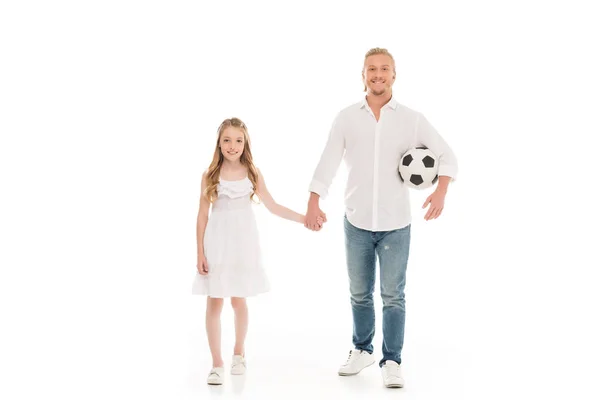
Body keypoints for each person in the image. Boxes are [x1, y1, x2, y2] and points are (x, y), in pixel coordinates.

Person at [304, 47, 458, 388]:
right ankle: (362, 350)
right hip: (356, 222)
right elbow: (328, 160)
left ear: (394, 75)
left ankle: (392, 360)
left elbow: (447, 156)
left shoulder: (411, 118)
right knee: (359, 293)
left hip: (395, 226)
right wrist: (314, 200)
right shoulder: (346, 117)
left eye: (384, 69)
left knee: (393, 295)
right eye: (371, 69)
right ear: (362, 75)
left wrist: (441, 191)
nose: (378, 74)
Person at [193, 117, 318, 385]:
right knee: (214, 301)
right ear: (219, 143)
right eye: (227, 139)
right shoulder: (209, 175)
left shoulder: (252, 172)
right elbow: (202, 215)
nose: (232, 145)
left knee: (239, 300)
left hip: (243, 244)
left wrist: (303, 218)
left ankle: (239, 352)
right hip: (217, 244)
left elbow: (273, 206)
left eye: (238, 140)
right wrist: (200, 253)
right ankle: (217, 363)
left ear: (245, 143)